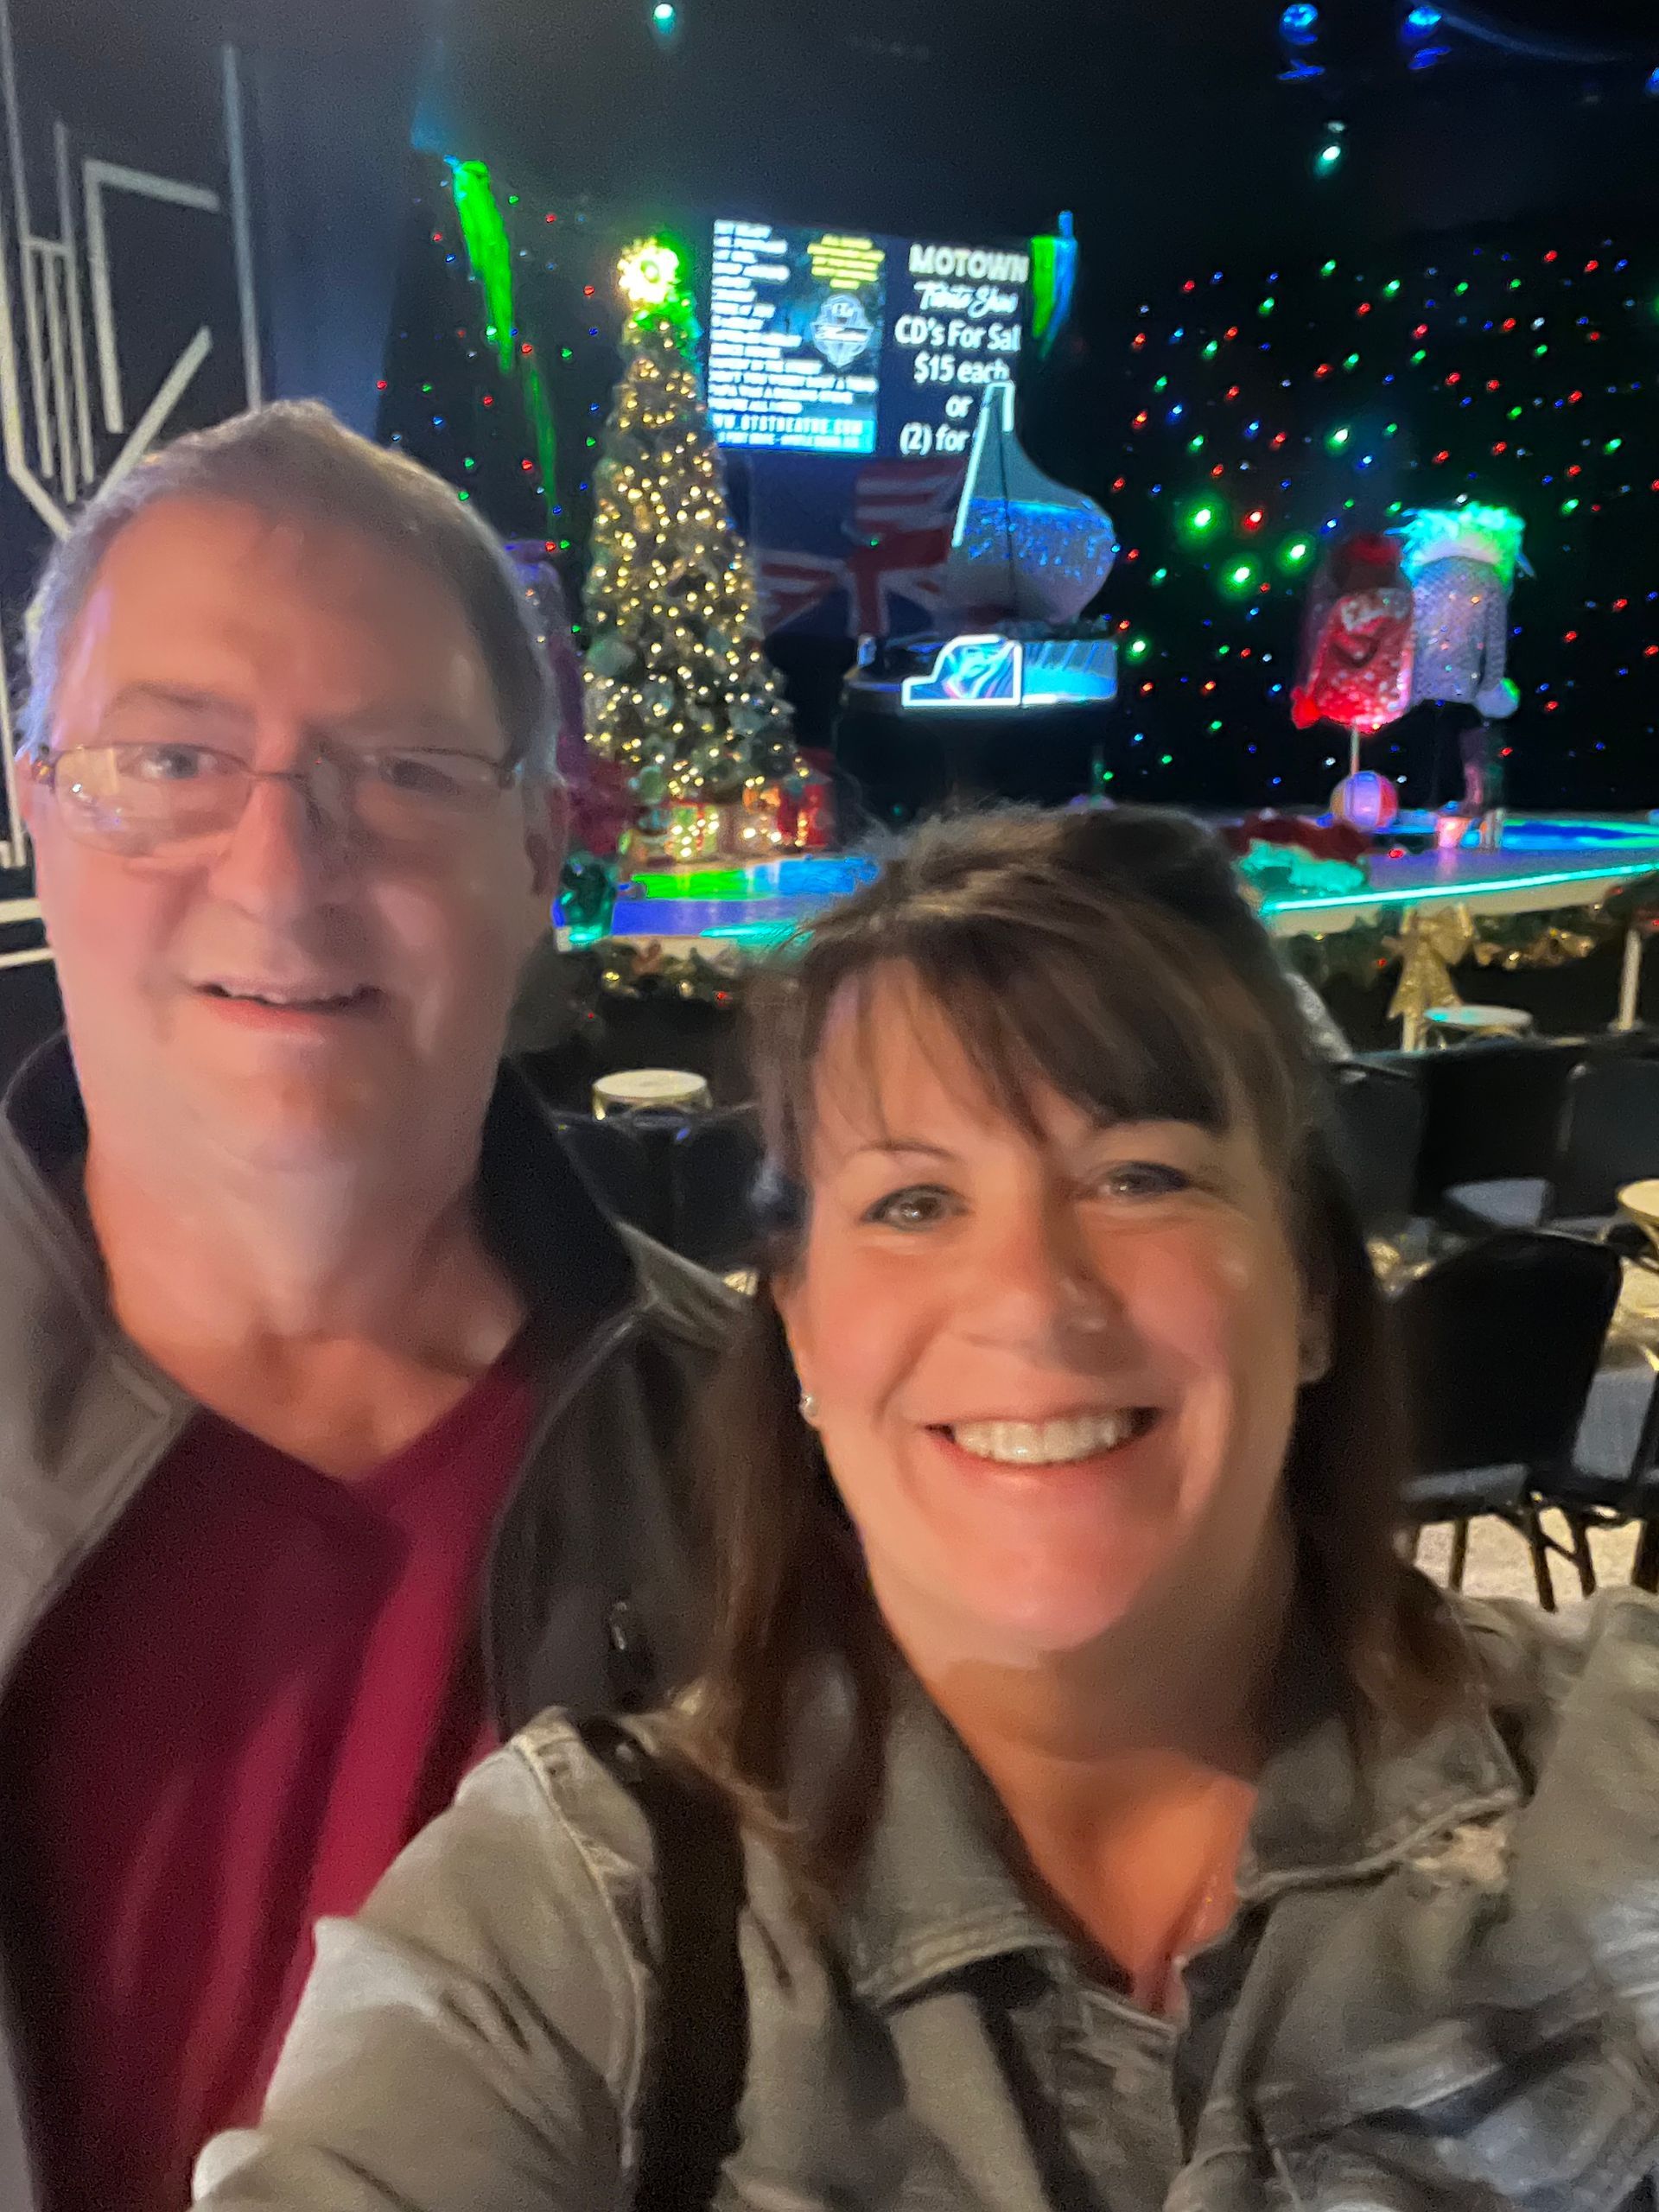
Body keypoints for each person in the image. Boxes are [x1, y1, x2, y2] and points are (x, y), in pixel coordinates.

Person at [199, 807, 1657, 2212]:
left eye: (1140, 1176)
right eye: (912, 1203)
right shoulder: (585, 1917)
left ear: (1318, 1295)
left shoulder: (1613, 1774)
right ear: (803, 1332)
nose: (1033, 1296)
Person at [0, 402, 733, 2212]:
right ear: (37, 815)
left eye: (402, 768)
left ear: (541, 852)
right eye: (171, 759)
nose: (281, 865)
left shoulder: (777, 1453)